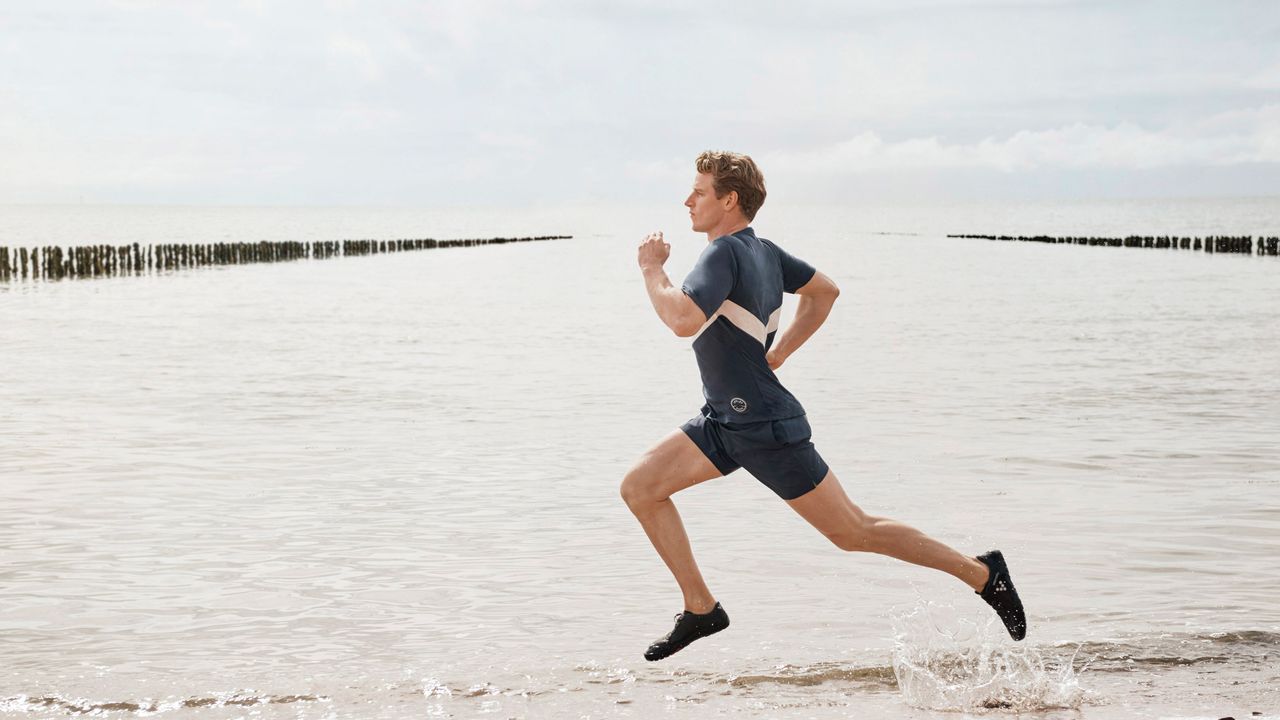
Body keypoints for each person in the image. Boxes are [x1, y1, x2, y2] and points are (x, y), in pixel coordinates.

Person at [621, 150, 1026, 662]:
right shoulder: (764, 252)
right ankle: (701, 608)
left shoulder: (723, 254)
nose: (688, 200)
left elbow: (681, 319)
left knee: (854, 531)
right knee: (641, 487)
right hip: (725, 419)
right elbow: (825, 291)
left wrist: (651, 268)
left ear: (729, 199)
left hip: (764, 425)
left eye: (698, 192)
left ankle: (982, 574)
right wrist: (781, 352)